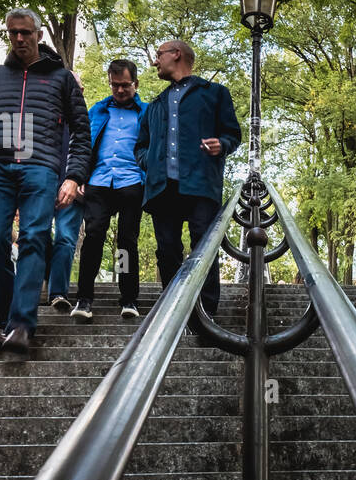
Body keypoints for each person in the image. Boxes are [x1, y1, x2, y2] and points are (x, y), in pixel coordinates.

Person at [0, 7, 91, 355]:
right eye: (13, 33)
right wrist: (4, 130)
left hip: (42, 169)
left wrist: (74, 177)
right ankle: (7, 324)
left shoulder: (62, 79)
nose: (19, 38)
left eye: (25, 32)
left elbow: (82, 132)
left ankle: (22, 325)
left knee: (35, 237)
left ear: (38, 35)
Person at [134, 39, 240, 324]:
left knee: (203, 250)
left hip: (200, 184)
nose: (155, 62)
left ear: (176, 55)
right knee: (167, 251)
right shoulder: (153, 106)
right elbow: (140, 146)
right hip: (161, 188)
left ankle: (206, 316)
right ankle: (173, 314)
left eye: (158, 55)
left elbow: (233, 134)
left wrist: (223, 144)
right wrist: (150, 162)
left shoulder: (215, 94)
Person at [71, 59, 146, 321]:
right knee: (92, 237)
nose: (120, 90)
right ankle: (84, 298)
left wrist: (147, 180)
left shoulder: (146, 113)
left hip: (131, 183)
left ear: (136, 84)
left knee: (126, 243)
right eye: (115, 86)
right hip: (99, 182)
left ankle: (128, 299)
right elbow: (82, 145)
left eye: (125, 85)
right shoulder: (98, 111)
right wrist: (79, 176)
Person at [45, 71, 89, 312]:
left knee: (65, 239)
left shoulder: (89, 118)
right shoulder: (43, 116)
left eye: (78, 88)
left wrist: (84, 179)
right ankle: (38, 284)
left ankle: (57, 293)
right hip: (42, 186)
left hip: (75, 189)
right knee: (36, 237)